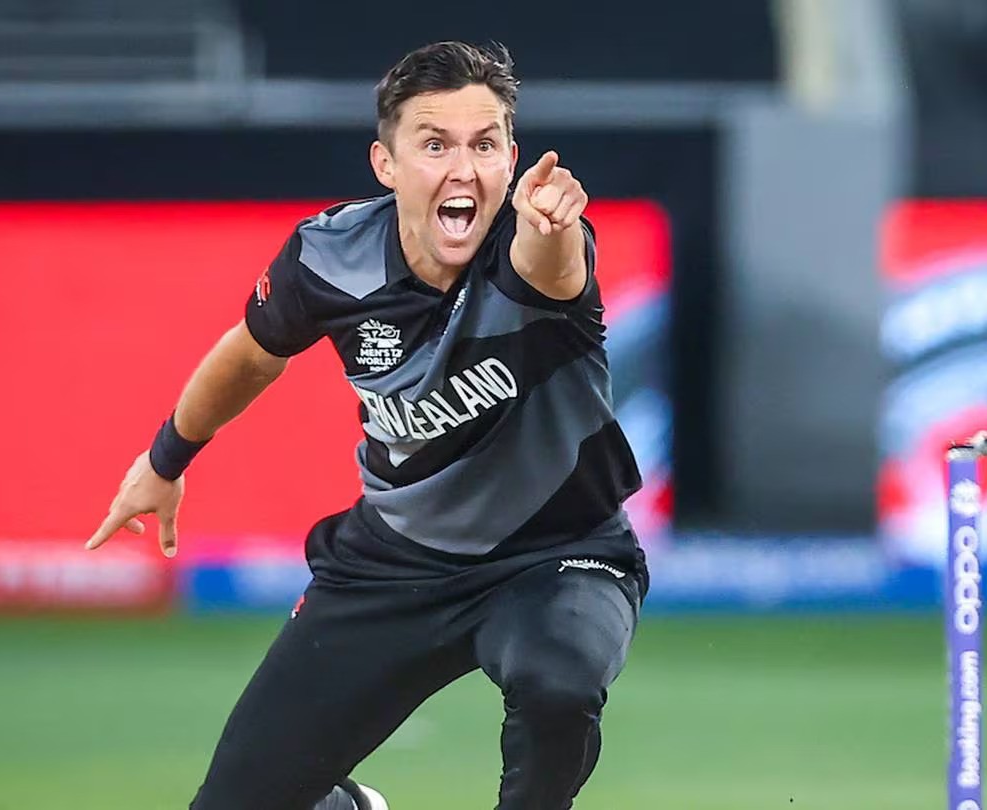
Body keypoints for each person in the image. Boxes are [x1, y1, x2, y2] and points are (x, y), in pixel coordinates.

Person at [85, 40, 649, 810]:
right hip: (392, 563)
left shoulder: (538, 246)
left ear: (512, 158)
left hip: (557, 557)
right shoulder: (331, 255)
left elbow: (551, 263)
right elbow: (251, 355)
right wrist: (166, 459)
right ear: (386, 164)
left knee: (559, 682)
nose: (464, 168)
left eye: (485, 145)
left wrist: (550, 227)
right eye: (435, 144)